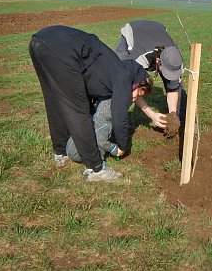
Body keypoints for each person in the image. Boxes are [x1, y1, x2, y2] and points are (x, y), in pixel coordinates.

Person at [29, 25, 153, 182]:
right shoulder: (124, 77)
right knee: (78, 111)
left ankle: (61, 152)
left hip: (39, 41)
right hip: (64, 49)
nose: (134, 100)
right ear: (138, 84)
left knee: (55, 101)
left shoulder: (114, 70)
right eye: (138, 95)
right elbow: (119, 115)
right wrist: (122, 146)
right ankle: (95, 168)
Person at [115, 20, 185, 129]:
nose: (169, 75)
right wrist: (151, 114)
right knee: (120, 75)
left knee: (176, 85)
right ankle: (116, 121)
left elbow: (173, 87)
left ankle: (181, 120)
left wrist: (172, 115)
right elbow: (133, 88)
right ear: (158, 60)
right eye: (166, 71)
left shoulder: (175, 60)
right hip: (134, 31)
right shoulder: (138, 58)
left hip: (157, 29)